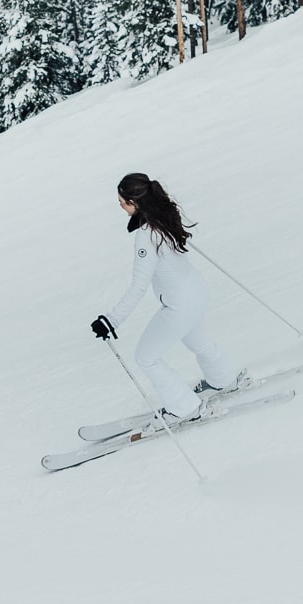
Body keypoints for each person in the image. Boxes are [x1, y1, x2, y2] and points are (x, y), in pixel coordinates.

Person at [89, 173, 242, 420]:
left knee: (146, 357)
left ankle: (185, 408)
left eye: (122, 202)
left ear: (135, 203)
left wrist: (111, 320)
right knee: (197, 341)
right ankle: (224, 379)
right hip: (197, 294)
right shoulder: (162, 218)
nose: (120, 207)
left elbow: (138, 286)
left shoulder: (146, 235)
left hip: (180, 306)